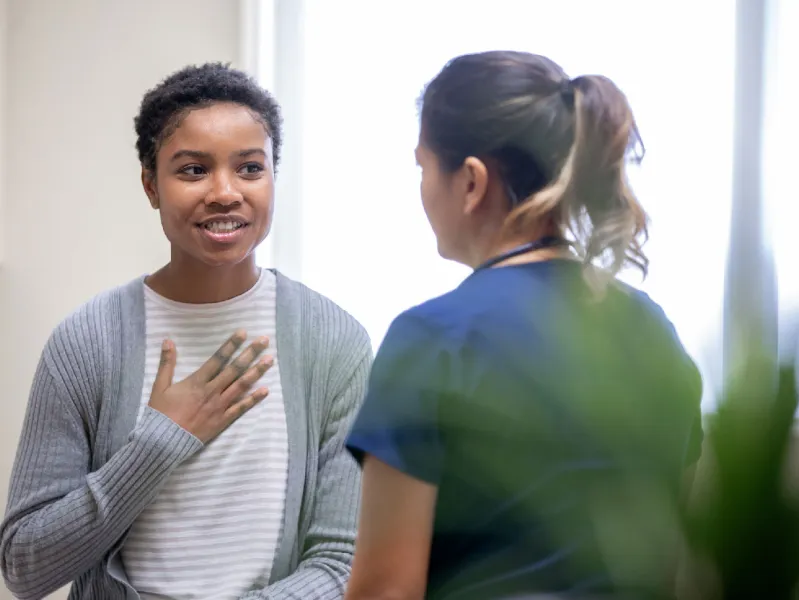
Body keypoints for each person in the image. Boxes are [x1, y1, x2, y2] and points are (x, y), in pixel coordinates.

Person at [1, 63, 371, 600]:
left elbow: (344, 562)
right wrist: (158, 442)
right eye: (193, 170)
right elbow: (25, 567)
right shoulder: (86, 343)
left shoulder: (334, 342)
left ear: (273, 178)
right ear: (152, 186)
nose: (225, 192)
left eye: (249, 168)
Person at [345, 51, 704, 600]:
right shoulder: (654, 331)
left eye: (422, 168)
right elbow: (664, 564)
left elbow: (385, 591)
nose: (421, 189)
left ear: (470, 181)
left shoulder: (433, 339)